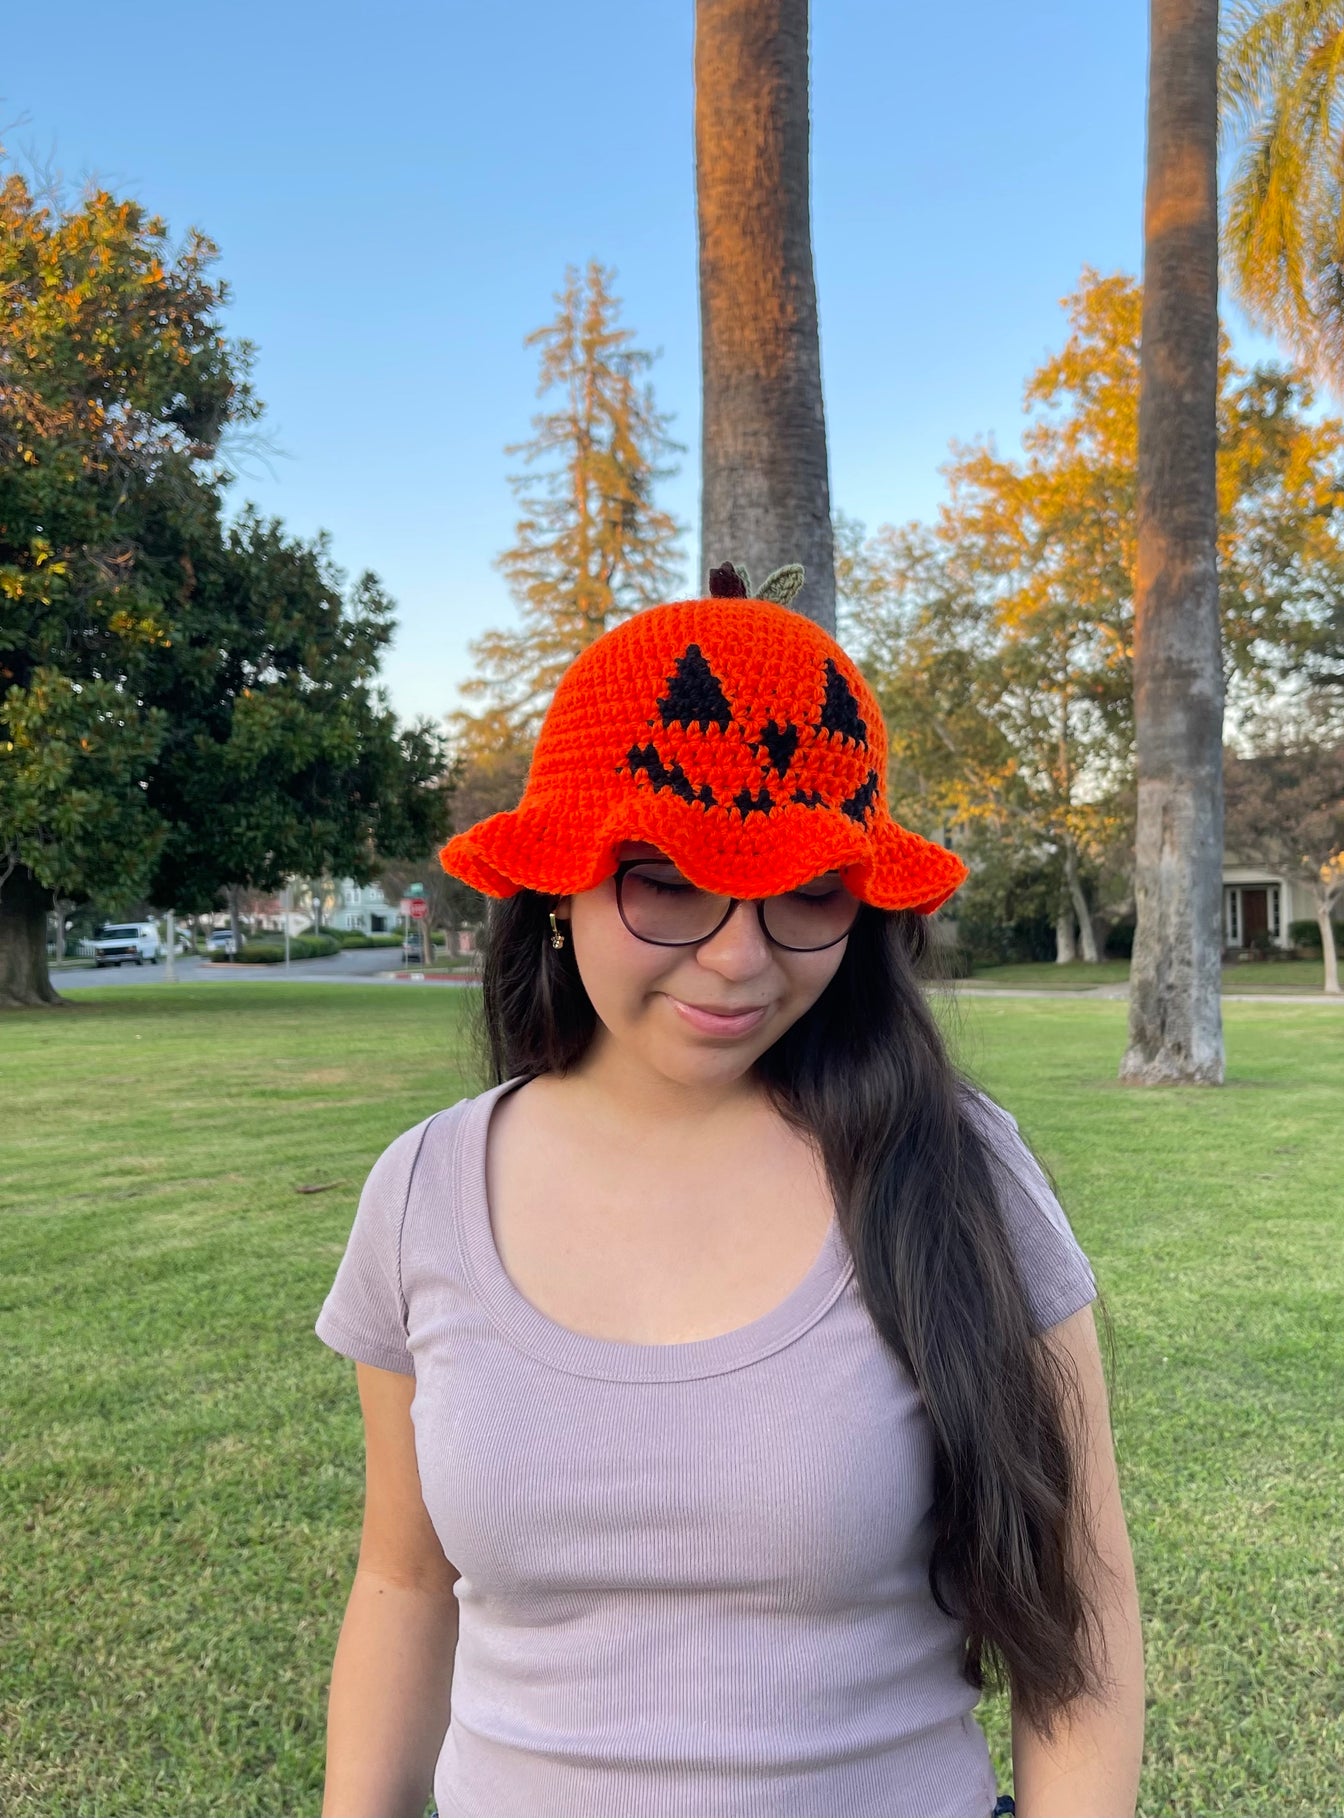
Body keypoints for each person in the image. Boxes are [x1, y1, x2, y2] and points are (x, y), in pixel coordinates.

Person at [314, 563, 1145, 1818]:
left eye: (808, 891)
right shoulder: (425, 1189)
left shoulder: (955, 1173)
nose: (739, 954)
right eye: (668, 876)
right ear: (558, 885)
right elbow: (402, 1583)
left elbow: (1079, 1599)